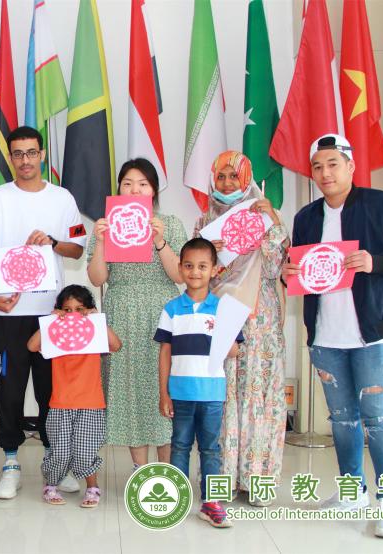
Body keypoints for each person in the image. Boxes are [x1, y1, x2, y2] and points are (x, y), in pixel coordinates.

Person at [284, 134, 383, 539]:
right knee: (342, 418)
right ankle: (353, 491)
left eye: (333, 164)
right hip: (326, 335)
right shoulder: (306, 217)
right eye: (317, 167)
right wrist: (287, 273)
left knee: (378, 418)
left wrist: (376, 261)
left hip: (374, 335)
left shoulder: (381, 204)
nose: (325, 173)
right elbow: (300, 272)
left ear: (350, 166)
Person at [0, 125, 87, 500]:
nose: (25, 160)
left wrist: (53, 242)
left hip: (53, 315)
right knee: (10, 390)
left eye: (31, 152)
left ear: (42, 155)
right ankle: (10, 462)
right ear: (10, 158)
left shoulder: (62, 198)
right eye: (18, 153)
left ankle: (58, 462)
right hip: (9, 314)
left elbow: (77, 248)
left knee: (52, 393)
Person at [193, 151, 289, 506]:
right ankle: (223, 480)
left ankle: (258, 480)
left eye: (234, 176)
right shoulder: (205, 221)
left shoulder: (265, 215)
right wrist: (210, 256)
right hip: (219, 317)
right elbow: (195, 275)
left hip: (259, 319)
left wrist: (272, 222)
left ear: (246, 179)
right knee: (222, 400)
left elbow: (276, 268)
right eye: (221, 177)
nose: (227, 183)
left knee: (259, 398)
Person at [87, 159, 183, 470]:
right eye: (127, 183)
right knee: (129, 390)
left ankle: (166, 468)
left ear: (153, 189)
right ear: (118, 188)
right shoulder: (106, 226)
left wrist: (160, 241)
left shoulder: (170, 224)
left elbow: (179, 275)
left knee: (163, 386)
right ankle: (140, 469)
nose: (134, 189)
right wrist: (101, 242)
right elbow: (97, 279)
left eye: (142, 183)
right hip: (122, 314)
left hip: (162, 312)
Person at [156, 237, 242, 528]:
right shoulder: (171, 308)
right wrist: (164, 393)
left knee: (210, 449)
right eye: (189, 266)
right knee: (179, 446)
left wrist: (222, 334)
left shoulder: (224, 308)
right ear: (180, 268)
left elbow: (235, 350)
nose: (195, 272)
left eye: (203, 266)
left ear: (215, 270)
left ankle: (212, 503)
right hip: (180, 392)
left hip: (212, 393)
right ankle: (177, 499)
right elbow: (165, 352)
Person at [27, 285, 121, 508]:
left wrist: (97, 319)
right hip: (61, 403)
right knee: (59, 451)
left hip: (91, 403)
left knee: (85, 450)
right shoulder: (56, 336)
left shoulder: (94, 334)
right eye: (67, 310)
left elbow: (116, 345)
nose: (73, 314)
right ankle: (51, 484)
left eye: (80, 309)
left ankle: (92, 487)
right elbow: (31, 346)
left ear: (89, 309)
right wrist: (50, 321)